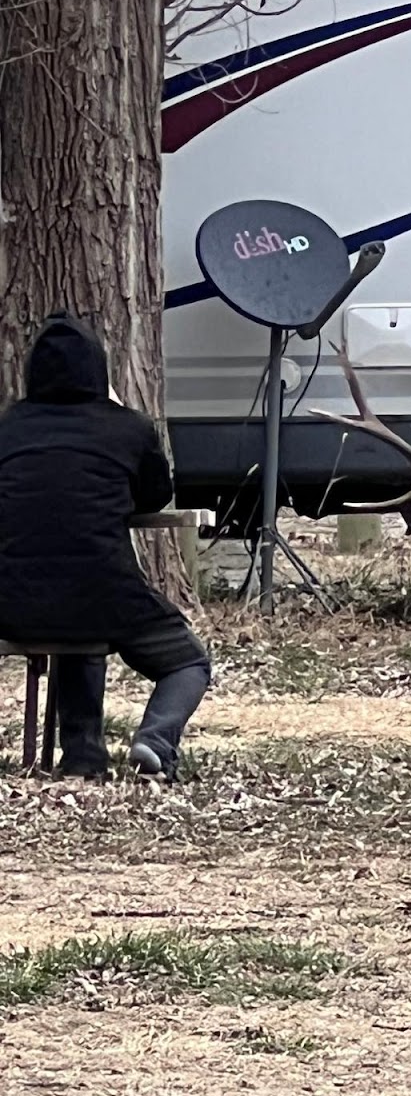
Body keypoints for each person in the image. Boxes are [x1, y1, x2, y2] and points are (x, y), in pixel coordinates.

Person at [0, 313, 210, 780]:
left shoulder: (9, 426)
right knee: (188, 660)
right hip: (103, 591)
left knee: (75, 626)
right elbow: (156, 495)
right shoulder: (128, 428)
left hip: (11, 597)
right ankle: (154, 740)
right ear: (100, 370)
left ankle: (83, 756)